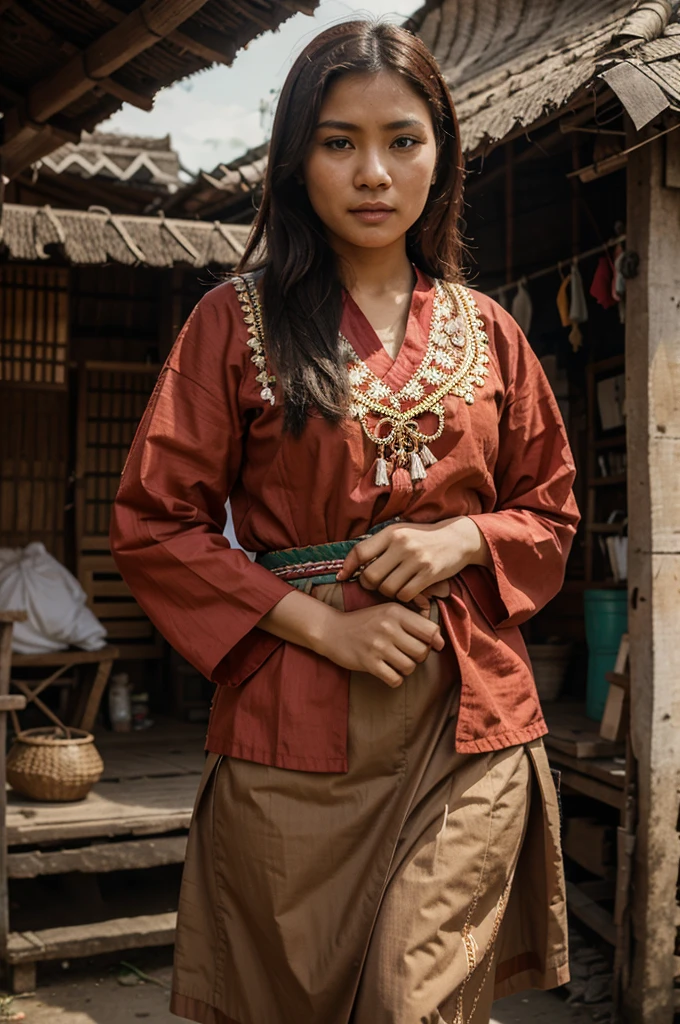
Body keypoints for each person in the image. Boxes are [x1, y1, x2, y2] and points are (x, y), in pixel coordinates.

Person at [111, 19, 580, 1024]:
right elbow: (156, 526)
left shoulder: (491, 331)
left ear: (439, 154)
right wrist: (328, 624)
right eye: (337, 142)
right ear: (295, 161)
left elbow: (549, 509)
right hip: (295, 727)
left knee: (414, 1002)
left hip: (468, 728)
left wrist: (464, 537)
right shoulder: (228, 324)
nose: (373, 171)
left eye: (402, 140)